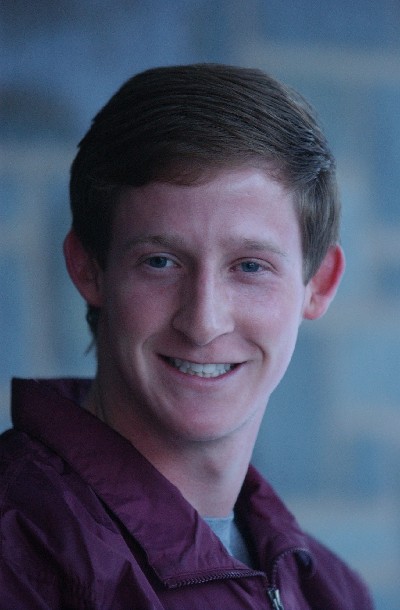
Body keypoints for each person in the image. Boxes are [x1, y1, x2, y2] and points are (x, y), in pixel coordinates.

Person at [0, 64, 374, 609]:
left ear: (318, 284)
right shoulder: (17, 556)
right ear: (88, 268)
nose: (203, 322)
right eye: (160, 261)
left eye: (250, 267)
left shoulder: (333, 593)